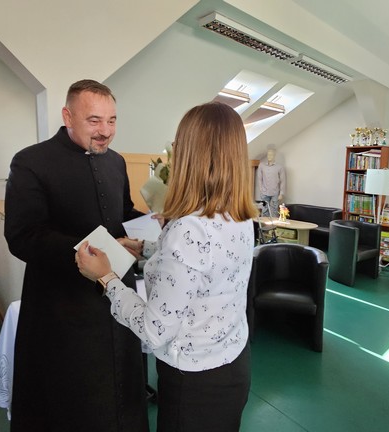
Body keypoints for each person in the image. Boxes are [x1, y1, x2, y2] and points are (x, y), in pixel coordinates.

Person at [76, 101, 256, 432]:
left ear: (190, 154)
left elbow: (155, 330)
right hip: (232, 363)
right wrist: (147, 248)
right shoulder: (240, 214)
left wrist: (106, 278)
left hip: (194, 383)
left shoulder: (188, 229)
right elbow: (208, 265)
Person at [4, 79, 149, 430]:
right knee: (72, 400)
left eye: (111, 120)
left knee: (123, 391)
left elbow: (122, 213)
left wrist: (149, 228)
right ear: (68, 117)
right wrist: (94, 251)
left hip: (117, 296)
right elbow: (23, 236)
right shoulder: (31, 162)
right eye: (94, 120)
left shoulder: (116, 162)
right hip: (63, 307)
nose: (105, 131)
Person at [256, 148, 286, 217]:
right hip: (264, 192)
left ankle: (275, 223)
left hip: (275, 192)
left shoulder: (280, 167)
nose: (269, 156)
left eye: (271, 155)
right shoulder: (262, 165)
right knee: (264, 210)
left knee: (275, 210)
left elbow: (283, 181)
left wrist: (281, 193)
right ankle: (265, 223)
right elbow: (259, 178)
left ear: (274, 156)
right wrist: (261, 189)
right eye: (268, 154)